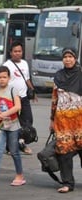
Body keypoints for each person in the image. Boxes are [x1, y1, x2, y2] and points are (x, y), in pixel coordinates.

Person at [0, 66, 25, 189]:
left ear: (9, 78)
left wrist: (4, 114)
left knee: (14, 151)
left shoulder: (13, 90)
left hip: (13, 125)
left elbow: (18, 106)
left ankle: (20, 175)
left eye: (4, 77)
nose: (2, 79)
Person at [49, 47, 82, 193]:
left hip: (80, 121)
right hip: (62, 122)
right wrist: (52, 119)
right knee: (64, 154)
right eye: (65, 57)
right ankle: (68, 183)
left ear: (75, 58)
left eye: (70, 56)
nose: (67, 59)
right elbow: (54, 99)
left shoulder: (80, 74)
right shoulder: (58, 76)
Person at [3, 41, 37, 154]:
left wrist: (32, 90)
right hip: (11, 99)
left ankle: (22, 142)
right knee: (12, 123)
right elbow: (2, 81)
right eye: (15, 51)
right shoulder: (6, 65)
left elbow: (26, 79)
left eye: (20, 51)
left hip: (24, 98)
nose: (18, 53)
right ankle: (10, 147)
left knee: (28, 121)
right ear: (11, 52)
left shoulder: (24, 63)